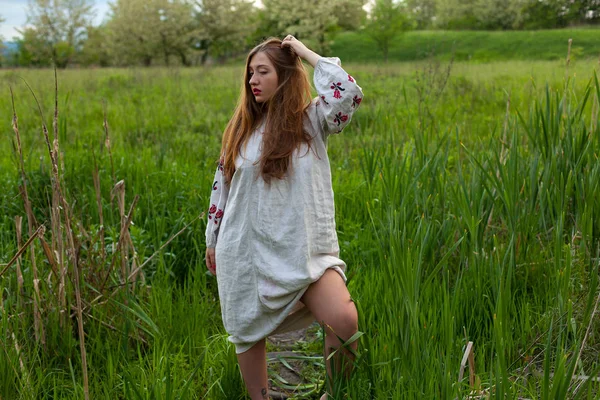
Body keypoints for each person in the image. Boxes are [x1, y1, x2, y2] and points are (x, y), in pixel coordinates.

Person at [205, 35, 363, 400]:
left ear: (286, 75)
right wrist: (212, 240)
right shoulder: (240, 131)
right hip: (246, 252)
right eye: (250, 73)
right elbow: (221, 190)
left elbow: (348, 93)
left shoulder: (312, 120)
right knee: (247, 330)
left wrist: (305, 54)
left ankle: (334, 394)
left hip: (305, 249)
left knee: (343, 321)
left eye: (263, 71)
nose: (252, 80)